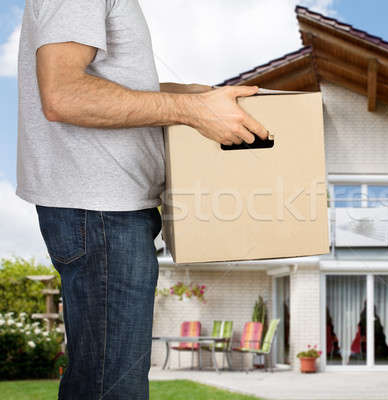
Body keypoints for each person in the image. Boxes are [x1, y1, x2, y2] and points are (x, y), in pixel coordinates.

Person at [16, 1, 267, 399]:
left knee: (104, 379)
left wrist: (198, 96)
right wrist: (192, 111)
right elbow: (63, 94)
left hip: (107, 212)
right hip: (101, 213)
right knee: (112, 388)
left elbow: (107, 85)